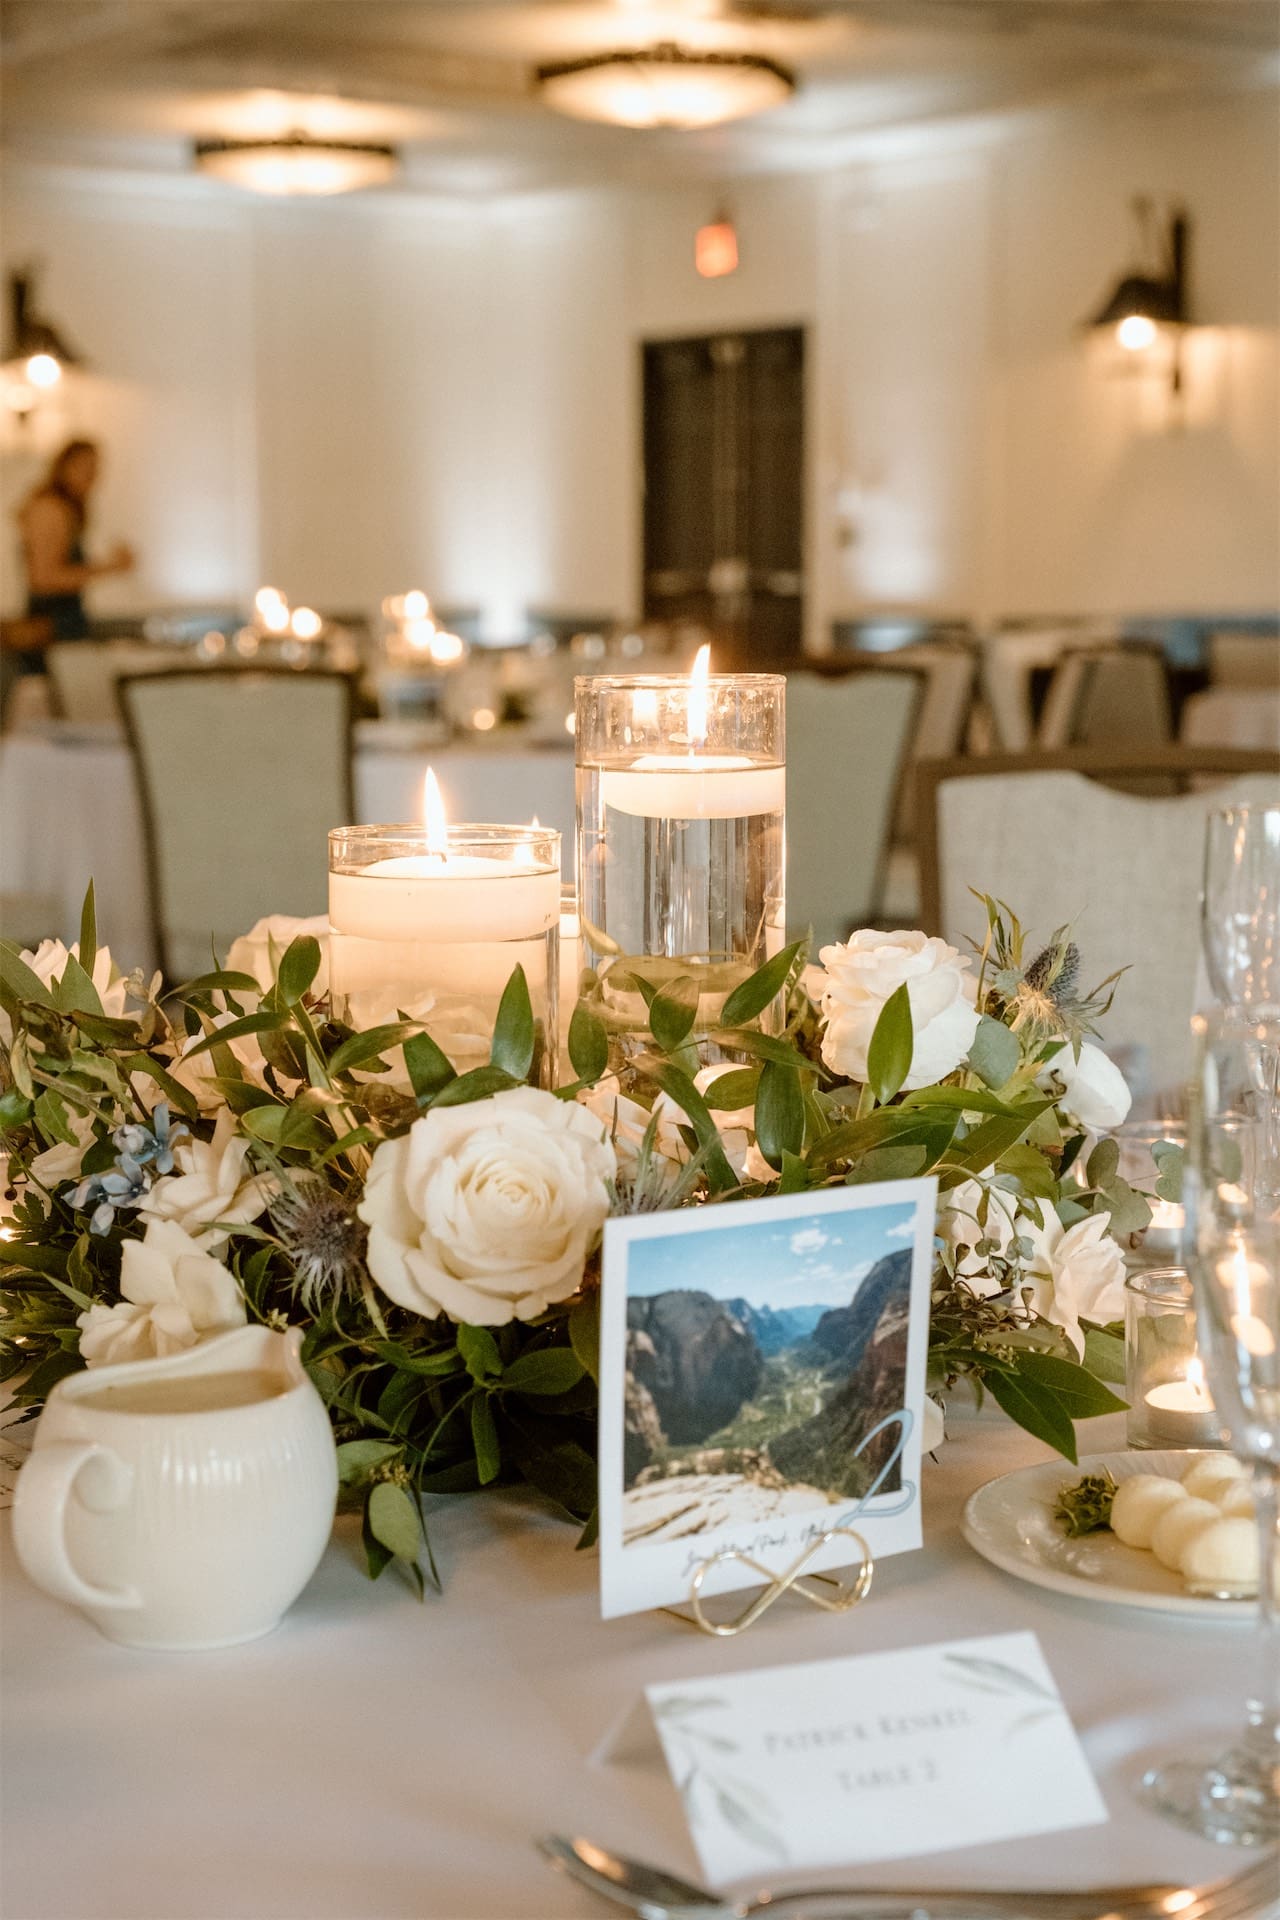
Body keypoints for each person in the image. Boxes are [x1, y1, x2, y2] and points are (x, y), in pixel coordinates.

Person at [13, 438, 134, 673]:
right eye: (86, 467)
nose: (92, 476)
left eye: (96, 469)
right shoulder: (49, 508)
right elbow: (43, 579)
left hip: (67, 626)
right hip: (50, 629)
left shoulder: (66, 510)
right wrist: (109, 567)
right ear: (65, 466)